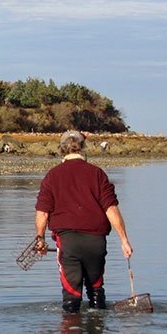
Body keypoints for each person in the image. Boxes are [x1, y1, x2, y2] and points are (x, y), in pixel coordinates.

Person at [34, 130, 133, 313]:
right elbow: (111, 209)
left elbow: (43, 213)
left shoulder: (52, 176)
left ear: (61, 150)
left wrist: (40, 238)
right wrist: (124, 240)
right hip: (96, 241)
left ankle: (72, 333)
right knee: (96, 291)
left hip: (68, 241)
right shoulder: (97, 174)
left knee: (72, 297)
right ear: (84, 148)